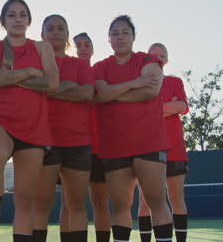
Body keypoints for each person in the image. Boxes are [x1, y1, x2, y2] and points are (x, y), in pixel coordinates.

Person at [0, 0, 59, 242]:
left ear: (29, 20)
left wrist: (11, 76)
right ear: (3, 21)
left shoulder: (42, 47)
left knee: (25, 198)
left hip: (34, 124)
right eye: (12, 15)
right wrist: (29, 72)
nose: (17, 19)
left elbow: (52, 84)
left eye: (23, 15)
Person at [93, 15, 173, 242]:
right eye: (115, 33)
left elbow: (150, 90)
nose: (120, 37)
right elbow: (100, 94)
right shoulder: (100, 66)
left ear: (133, 37)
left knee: (156, 200)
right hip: (115, 146)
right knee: (119, 206)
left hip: (149, 142)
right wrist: (132, 83)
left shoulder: (147, 60)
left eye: (125, 32)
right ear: (108, 39)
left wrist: (114, 94)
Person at [32, 15, 94, 242]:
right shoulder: (34, 65)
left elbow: (87, 92)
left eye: (61, 28)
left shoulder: (78, 64)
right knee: (40, 205)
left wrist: (49, 88)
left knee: (76, 204)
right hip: (42, 141)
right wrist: (68, 87)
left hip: (77, 142)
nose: (56, 32)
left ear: (67, 34)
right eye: (50, 28)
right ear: (42, 35)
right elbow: (31, 92)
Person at [138, 43, 189, 242]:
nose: (158, 58)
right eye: (154, 54)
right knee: (145, 203)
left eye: (162, 55)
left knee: (177, 200)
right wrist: (170, 106)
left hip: (175, 150)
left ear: (166, 60)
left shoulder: (175, 81)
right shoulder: (140, 84)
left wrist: (154, 108)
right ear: (146, 59)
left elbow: (182, 105)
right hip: (147, 150)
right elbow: (139, 112)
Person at [75, 32, 112, 242]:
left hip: (99, 147)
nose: (82, 48)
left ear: (92, 49)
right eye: (78, 45)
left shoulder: (99, 73)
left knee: (100, 201)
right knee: (73, 202)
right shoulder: (67, 72)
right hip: (73, 146)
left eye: (86, 44)